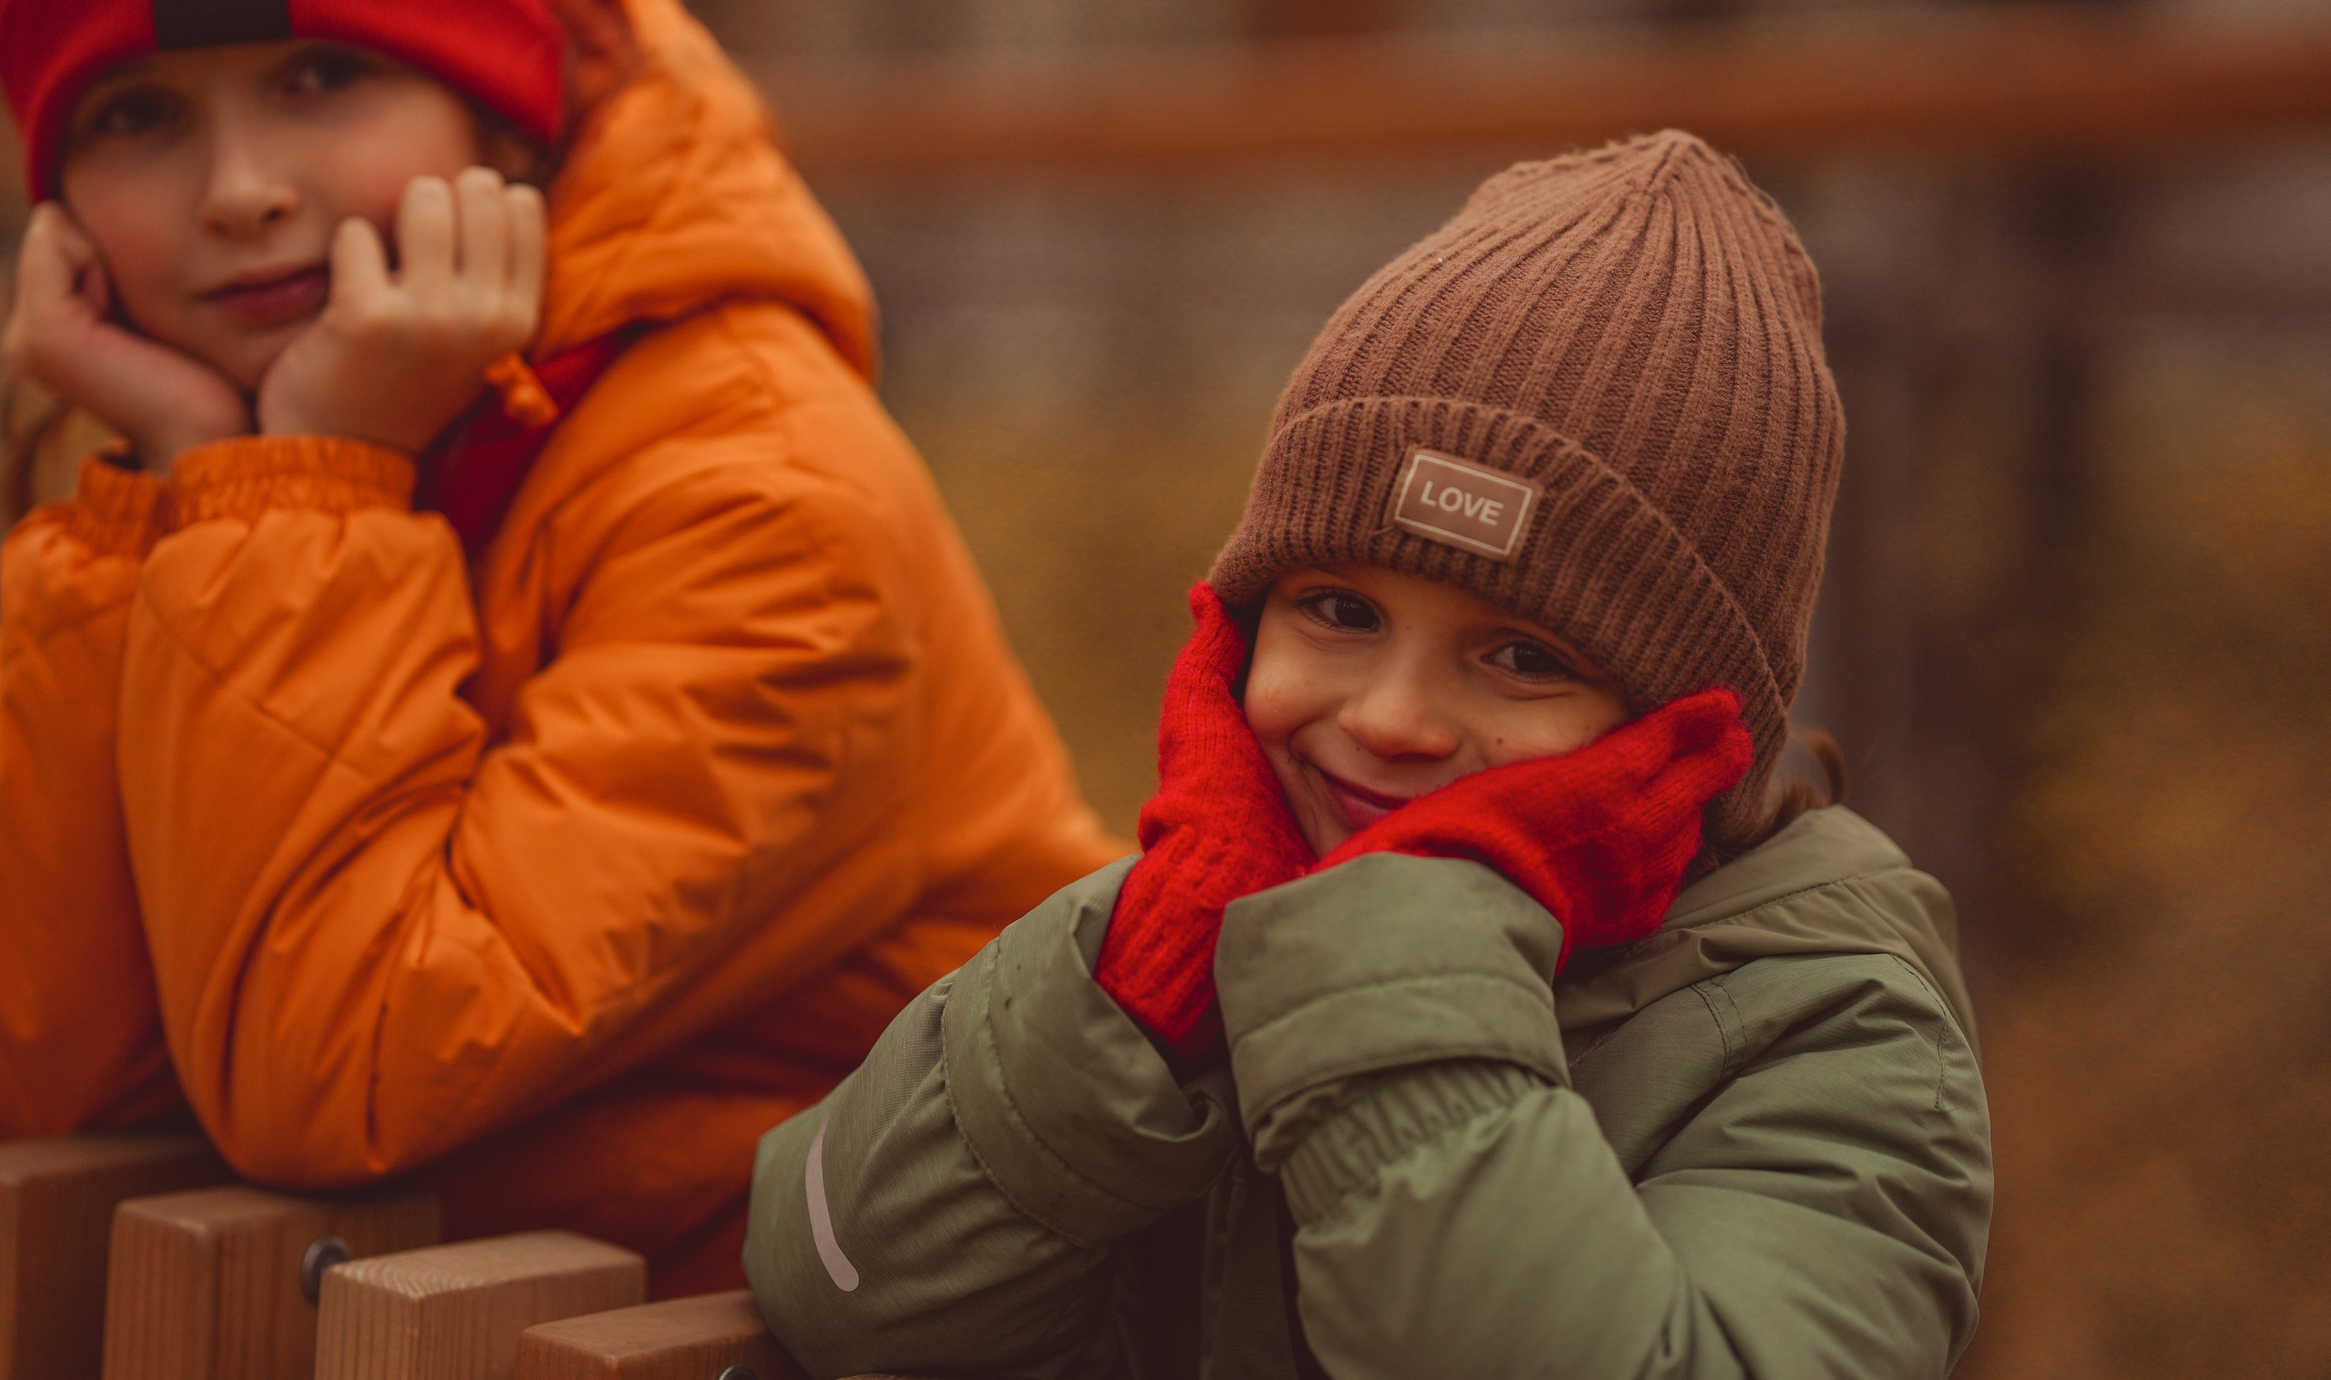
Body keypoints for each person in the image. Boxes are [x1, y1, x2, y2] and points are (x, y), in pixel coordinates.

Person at [0, 0, 1118, 1293]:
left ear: (498, 104)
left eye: (323, 78)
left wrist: (293, 488)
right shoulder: (252, 463)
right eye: (139, 114)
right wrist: (184, 491)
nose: (242, 189)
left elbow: (339, 1076)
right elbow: (2, 1061)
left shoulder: (760, 496)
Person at [745, 132, 1993, 1376]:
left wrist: (1389, 964)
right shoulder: (1216, 910)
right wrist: (1146, 977)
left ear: (1687, 740)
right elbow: (848, 1285)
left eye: (1522, 658)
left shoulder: (1837, 1042)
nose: (1392, 719)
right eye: (1339, 612)